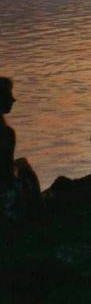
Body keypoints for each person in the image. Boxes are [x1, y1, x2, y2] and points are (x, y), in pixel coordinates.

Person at [0, 77, 40, 221]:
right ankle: (35, 215)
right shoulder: (6, 133)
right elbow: (6, 175)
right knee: (25, 170)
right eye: (8, 95)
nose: (13, 99)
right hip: (5, 198)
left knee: (21, 163)